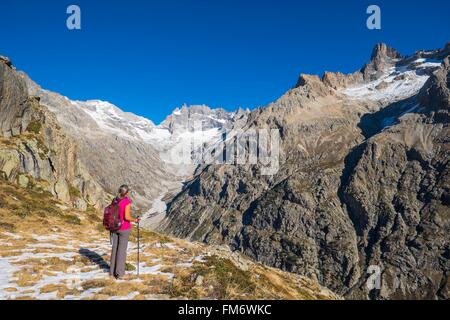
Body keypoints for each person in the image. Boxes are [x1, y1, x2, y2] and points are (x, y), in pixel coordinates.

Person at [109, 184, 139, 279]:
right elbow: (127, 217)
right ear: (126, 192)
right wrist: (135, 220)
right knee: (121, 251)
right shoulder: (126, 201)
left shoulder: (115, 200)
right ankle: (120, 273)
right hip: (124, 228)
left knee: (115, 249)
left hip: (114, 227)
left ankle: (112, 272)